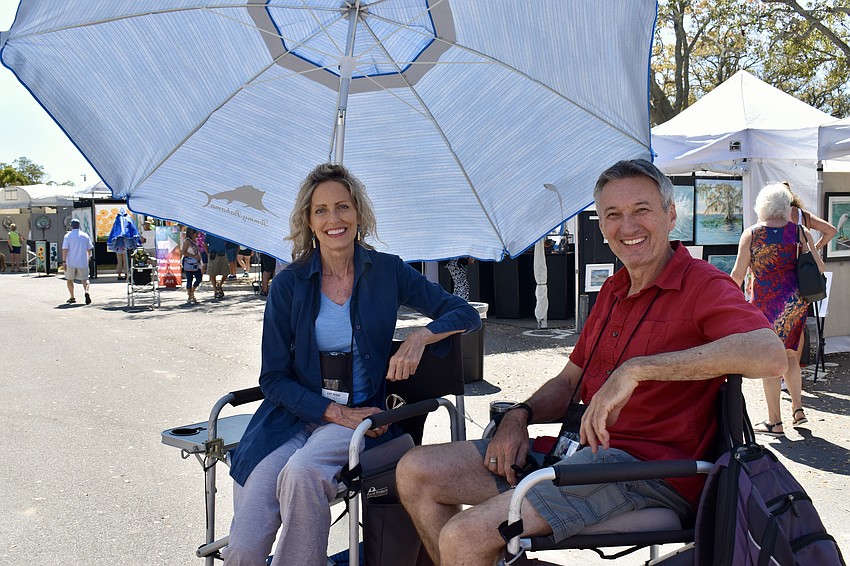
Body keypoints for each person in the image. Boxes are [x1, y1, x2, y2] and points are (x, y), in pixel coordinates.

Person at [396, 159, 787, 566]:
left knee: (464, 536)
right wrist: (519, 415)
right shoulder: (614, 289)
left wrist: (638, 369)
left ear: (671, 215)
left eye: (641, 210)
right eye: (613, 215)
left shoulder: (703, 284)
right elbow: (568, 383)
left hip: (649, 474)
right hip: (582, 455)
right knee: (415, 470)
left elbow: (770, 354)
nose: (627, 226)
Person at [221, 163, 481, 566]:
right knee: (245, 543)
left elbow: (465, 313)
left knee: (303, 473)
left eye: (342, 206)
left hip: (359, 417)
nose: (334, 219)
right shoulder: (289, 283)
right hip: (291, 417)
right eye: (321, 210)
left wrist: (419, 337)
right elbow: (272, 378)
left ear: (358, 212)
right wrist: (331, 411)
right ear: (309, 221)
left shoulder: (388, 271)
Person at [730, 183, 824, 437]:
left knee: (770, 359)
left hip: (765, 305)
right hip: (795, 303)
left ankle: (775, 422)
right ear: (785, 206)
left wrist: (726, 301)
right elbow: (819, 267)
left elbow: (737, 274)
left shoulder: (752, 234)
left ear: (762, 205)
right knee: (791, 355)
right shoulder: (799, 232)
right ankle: (798, 409)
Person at [62, 218, 94, 305]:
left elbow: (65, 249)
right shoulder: (85, 235)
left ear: (71, 226)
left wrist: (64, 261)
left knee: (69, 279)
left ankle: (72, 297)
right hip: (82, 261)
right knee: (85, 279)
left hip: (70, 262)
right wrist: (88, 258)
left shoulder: (68, 236)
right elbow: (89, 249)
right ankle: (86, 291)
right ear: (79, 225)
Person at [181, 227, 203, 304]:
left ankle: (192, 292)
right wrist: (194, 256)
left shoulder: (195, 241)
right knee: (189, 279)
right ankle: (190, 295)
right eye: (196, 233)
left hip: (196, 263)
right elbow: (184, 252)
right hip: (189, 263)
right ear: (192, 234)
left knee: (199, 278)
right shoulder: (187, 241)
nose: (197, 235)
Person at [204, 233, 229, 299]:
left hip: (223, 254)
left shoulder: (223, 232)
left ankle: (220, 285)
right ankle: (215, 290)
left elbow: (226, 242)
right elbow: (205, 243)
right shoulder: (210, 233)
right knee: (212, 273)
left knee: (226, 273)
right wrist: (208, 253)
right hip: (213, 254)